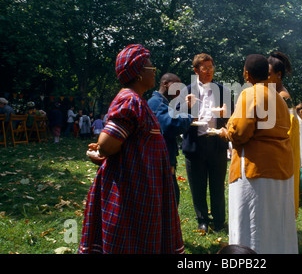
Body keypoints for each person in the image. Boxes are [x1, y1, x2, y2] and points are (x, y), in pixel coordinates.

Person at [79, 44, 184, 254]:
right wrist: (99, 149)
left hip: (142, 184)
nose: (154, 71)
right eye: (150, 68)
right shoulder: (129, 101)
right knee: (130, 240)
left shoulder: (137, 100)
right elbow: (108, 144)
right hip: (131, 187)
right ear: (137, 73)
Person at [219, 54, 298, 254]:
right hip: (281, 166)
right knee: (275, 219)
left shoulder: (250, 93)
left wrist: (227, 132)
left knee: (252, 221)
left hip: (256, 168)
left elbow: (240, 132)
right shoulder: (279, 97)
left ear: (247, 74)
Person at [178, 53, 233, 233]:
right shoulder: (186, 90)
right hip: (195, 144)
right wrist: (186, 107)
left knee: (217, 185)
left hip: (217, 143)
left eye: (211, 68)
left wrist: (225, 116)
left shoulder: (222, 90)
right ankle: (202, 220)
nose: (209, 71)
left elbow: (231, 116)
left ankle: (219, 222)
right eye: (204, 68)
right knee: (197, 186)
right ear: (196, 70)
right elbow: (178, 117)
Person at [148, 73, 193, 206]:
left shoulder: (162, 102)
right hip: (162, 159)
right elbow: (171, 125)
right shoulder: (157, 103)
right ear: (166, 84)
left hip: (165, 158)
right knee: (169, 200)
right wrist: (189, 117)